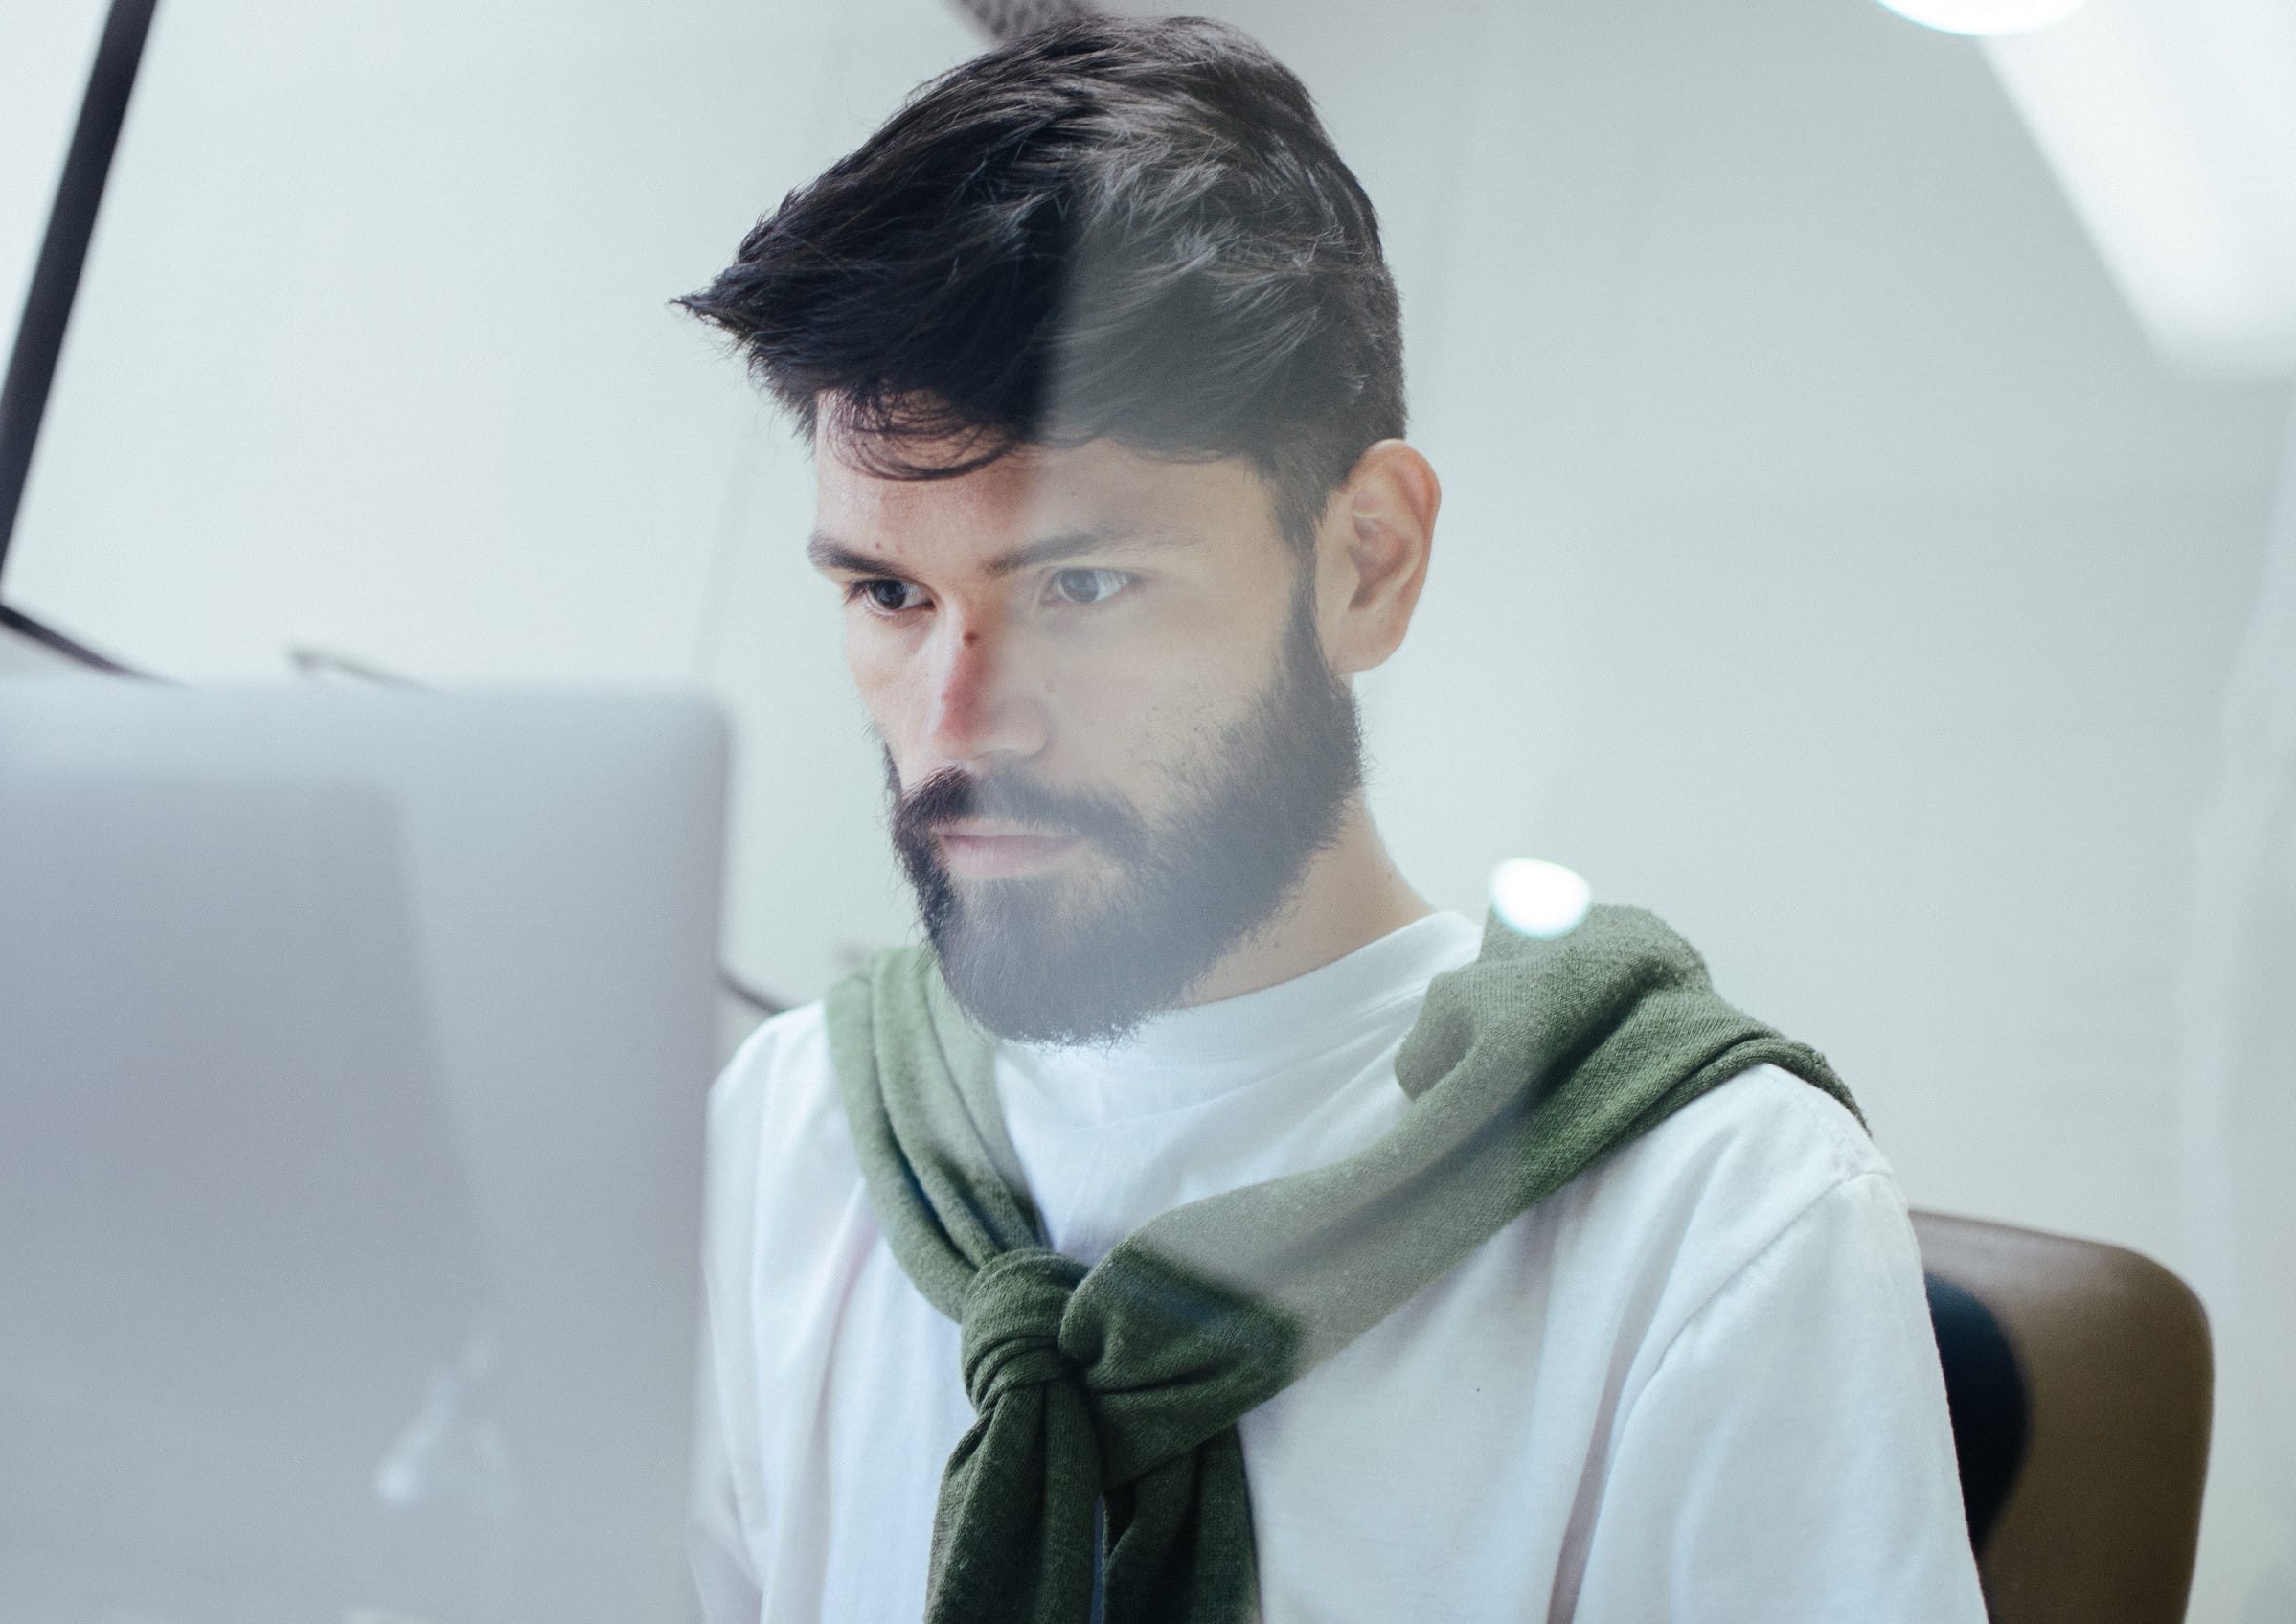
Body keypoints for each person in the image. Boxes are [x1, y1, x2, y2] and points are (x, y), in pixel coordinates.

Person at [678, 16, 1986, 1623]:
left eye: (1084, 584)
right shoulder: (790, 1132)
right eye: (888, 591)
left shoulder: (1716, 1222)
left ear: (1366, 560)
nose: (956, 720)